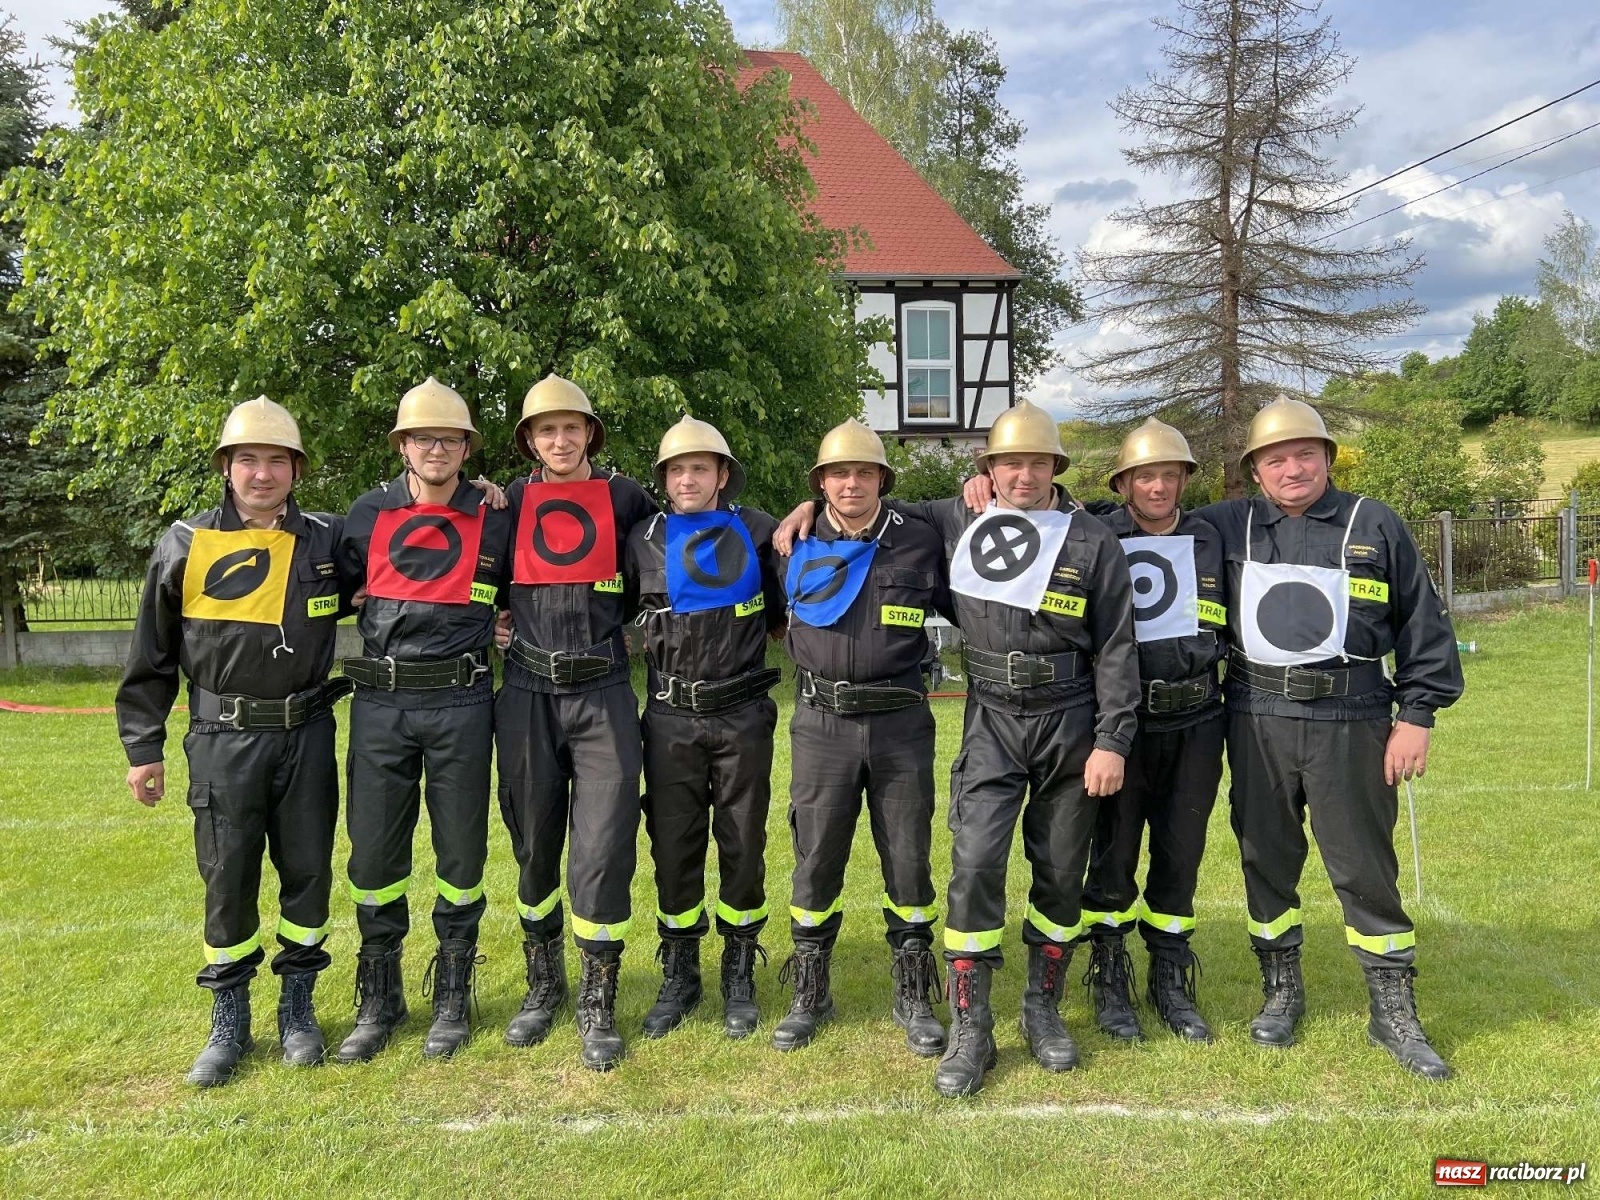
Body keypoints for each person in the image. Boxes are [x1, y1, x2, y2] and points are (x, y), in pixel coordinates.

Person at [783, 401, 1140, 1096]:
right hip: (993, 716)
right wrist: (806, 508)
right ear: (989, 470)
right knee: (974, 864)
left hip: (1071, 715)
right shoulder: (954, 519)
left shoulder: (1091, 539)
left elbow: (1119, 647)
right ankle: (972, 1026)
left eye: (1038, 462)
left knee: (1062, 869)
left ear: (1056, 468)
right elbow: (867, 507)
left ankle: (1042, 1008)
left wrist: (1112, 740)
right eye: (1010, 463)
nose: (1024, 474)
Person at [1197, 395, 1464, 1078]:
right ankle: (1281, 991)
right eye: (1275, 458)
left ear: (1326, 460)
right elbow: (1138, 520)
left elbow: (1422, 628)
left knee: (1364, 868)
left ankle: (1392, 1009)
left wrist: (1417, 717)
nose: (1292, 469)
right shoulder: (1226, 526)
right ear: (1255, 470)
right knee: (1265, 858)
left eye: (1304, 455)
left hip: (1355, 719)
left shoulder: (1372, 522)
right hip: (1257, 718)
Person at [117, 396, 352, 1086]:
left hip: (307, 733)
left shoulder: (327, 540)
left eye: (277, 459)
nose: (261, 473)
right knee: (228, 880)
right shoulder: (184, 544)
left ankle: (298, 1011)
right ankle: (229, 1024)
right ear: (226, 467)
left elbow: (409, 568)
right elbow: (150, 657)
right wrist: (143, 747)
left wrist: (485, 499)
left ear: (295, 469)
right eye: (247, 459)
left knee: (307, 873)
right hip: (222, 738)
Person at [336, 378, 512, 1064]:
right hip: (381, 704)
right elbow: (330, 580)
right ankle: (380, 997)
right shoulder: (363, 513)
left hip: (463, 703)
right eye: (422, 438)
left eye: (450, 439)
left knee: (461, 854)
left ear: (467, 448)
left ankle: (452, 992)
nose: (436, 449)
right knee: (375, 856)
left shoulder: (497, 511)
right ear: (403, 446)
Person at [495, 373, 657, 1071]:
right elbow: (469, 574)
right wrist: (490, 622)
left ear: (591, 433)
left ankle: (597, 992)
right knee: (533, 839)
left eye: (572, 427)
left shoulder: (628, 498)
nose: (560, 440)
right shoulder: (506, 502)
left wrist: (643, 629)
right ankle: (543, 981)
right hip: (527, 693)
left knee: (603, 846)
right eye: (545, 430)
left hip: (604, 694)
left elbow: (684, 547)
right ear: (530, 440)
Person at [624, 416, 786, 1039]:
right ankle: (680, 970)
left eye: (700, 467)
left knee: (743, 843)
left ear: (722, 475)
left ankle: (740, 967)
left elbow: (786, 609)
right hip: (669, 717)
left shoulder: (762, 530)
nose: (687, 478)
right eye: (676, 469)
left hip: (743, 713)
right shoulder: (641, 538)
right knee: (673, 845)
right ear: (664, 479)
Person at [1077, 418, 1227, 1043]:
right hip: (1124, 725)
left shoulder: (1213, 535)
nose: (1159, 486)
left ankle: (1170, 978)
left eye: (1170, 474)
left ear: (1185, 480)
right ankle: (1110, 976)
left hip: (1196, 719)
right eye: (1146, 476)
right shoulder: (1095, 532)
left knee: (1180, 854)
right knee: (1112, 854)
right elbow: (1024, 509)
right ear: (1124, 482)